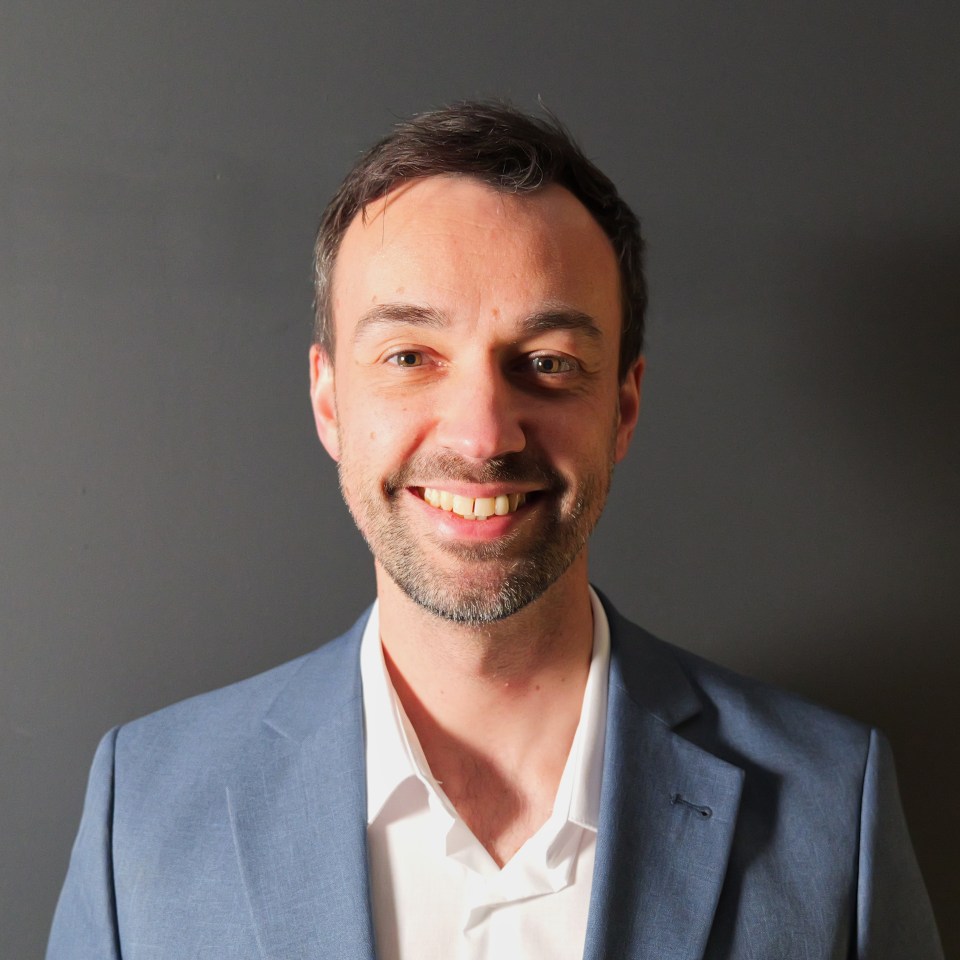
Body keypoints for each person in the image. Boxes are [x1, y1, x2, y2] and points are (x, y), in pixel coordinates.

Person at [48, 101, 943, 960]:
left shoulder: (832, 799)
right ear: (328, 399)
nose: (483, 434)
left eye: (548, 363)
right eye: (409, 357)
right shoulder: (150, 807)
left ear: (623, 407)